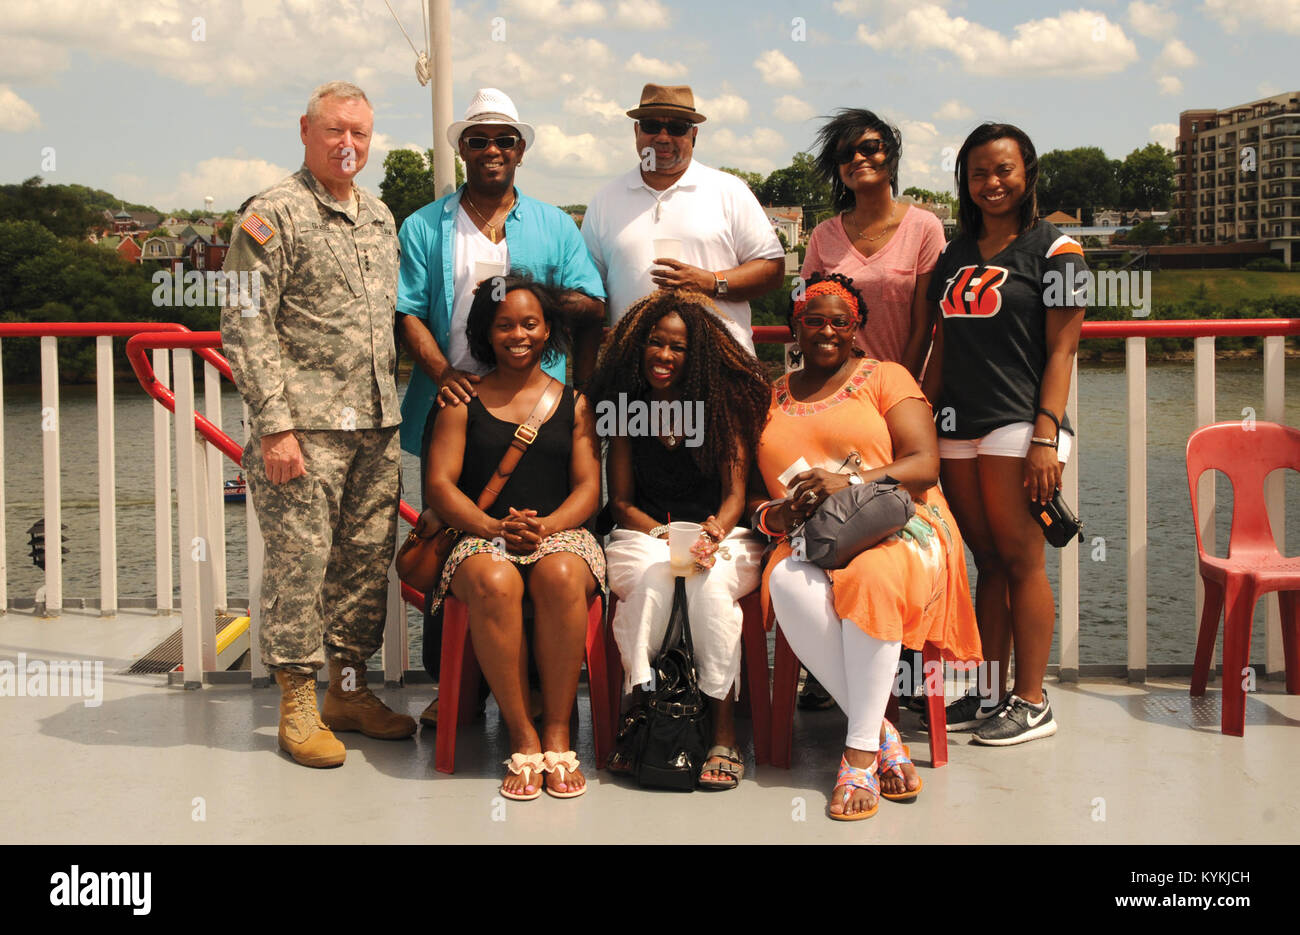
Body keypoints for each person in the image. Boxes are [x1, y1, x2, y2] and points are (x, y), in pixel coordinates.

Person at [221, 81, 414, 768]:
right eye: (335, 130)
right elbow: (243, 322)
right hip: (301, 431)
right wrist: (274, 428)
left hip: (375, 425)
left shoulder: (381, 218)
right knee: (301, 566)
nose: (348, 144)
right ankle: (298, 703)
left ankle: (349, 692)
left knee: (364, 564)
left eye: (360, 133)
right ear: (306, 130)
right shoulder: (271, 214)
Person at [754, 272, 980, 819]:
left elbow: (924, 465)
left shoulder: (886, 377)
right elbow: (751, 496)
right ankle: (882, 734)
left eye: (841, 322)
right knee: (785, 579)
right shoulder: (771, 395)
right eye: (814, 320)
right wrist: (775, 514)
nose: (827, 331)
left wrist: (851, 482)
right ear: (794, 327)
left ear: (857, 328)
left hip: (903, 521)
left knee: (870, 579)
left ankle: (856, 760)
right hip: (811, 533)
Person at [922, 123, 1086, 746]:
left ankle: (1032, 699)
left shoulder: (1058, 249)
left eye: (1003, 171)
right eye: (978, 173)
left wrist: (1046, 435)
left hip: (1021, 424)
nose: (992, 183)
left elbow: (1064, 348)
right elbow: (942, 344)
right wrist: (918, 413)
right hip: (957, 424)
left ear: (1028, 174)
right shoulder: (953, 252)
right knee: (985, 560)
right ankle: (991, 693)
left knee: (1021, 561)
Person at [423, 275, 603, 800]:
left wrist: (547, 527)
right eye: (504, 325)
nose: (518, 334)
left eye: (530, 323)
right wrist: (493, 528)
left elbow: (590, 489)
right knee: (496, 578)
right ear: (486, 332)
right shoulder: (461, 399)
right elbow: (439, 485)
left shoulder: (577, 404)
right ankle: (523, 736)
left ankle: (558, 730)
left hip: (560, 534)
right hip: (480, 538)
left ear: (548, 331)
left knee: (563, 570)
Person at [586, 290, 771, 789]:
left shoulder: (721, 406)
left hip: (722, 532)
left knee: (708, 588)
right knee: (654, 582)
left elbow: (735, 495)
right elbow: (620, 501)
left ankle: (723, 733)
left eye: (678, 348)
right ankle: (640, 713)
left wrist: (713, 530)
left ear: (697, 357)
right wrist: (665, 534)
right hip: (644, 532)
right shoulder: (627, 409)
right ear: (638, 345)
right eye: (655, 342)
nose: (664, 356)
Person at [396, 87, 606, 459]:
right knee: (444, 516)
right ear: (462, 149)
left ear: (520, 150)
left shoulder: (557, 225)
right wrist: (444, 374)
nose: (491, 151)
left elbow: (593, 306)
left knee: (538, 512)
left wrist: (535, 296)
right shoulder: (421, 227)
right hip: (452, 405)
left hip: (539, 410)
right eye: (478, 141)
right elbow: (406, 311)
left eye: (504, 140)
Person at [580, 83, 785, 366]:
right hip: (635, 373)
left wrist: (712, 283)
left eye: (677, 127)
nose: (663, 137)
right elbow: (591, 292)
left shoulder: (728, 190)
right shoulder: (605, 199)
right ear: (636, 131)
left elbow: (772, 270)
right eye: (652, 125)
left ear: (694, 134)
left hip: (720, 369)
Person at [802, 109, 946, 379]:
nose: (857, 158)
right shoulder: (823, 235)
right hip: (838, 389)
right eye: (845, 155)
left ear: (891, 158)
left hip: (902, 384)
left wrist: (898, 387)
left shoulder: (925, 228)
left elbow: (924, 324)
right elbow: (801, 300)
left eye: (869, 148)